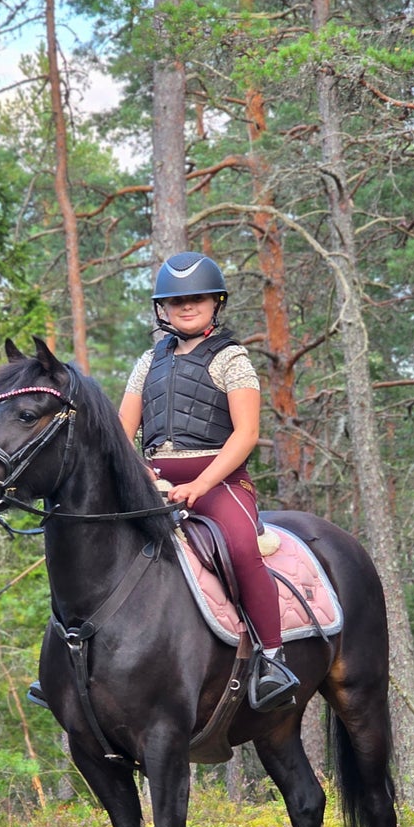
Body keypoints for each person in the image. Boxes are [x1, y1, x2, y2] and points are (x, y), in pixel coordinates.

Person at [117, 252, 300, 712]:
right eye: (176, 301)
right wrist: (140, 474)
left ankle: (273, 659)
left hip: (220, 484)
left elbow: (247, 434)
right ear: (163, 308)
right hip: (155, 483)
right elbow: (122, 432)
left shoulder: (232, 359)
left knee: (241, 548)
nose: (186, 306)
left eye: (196, 298)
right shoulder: (148, 362)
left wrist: (200, 486)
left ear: (215, 301)